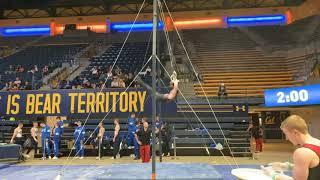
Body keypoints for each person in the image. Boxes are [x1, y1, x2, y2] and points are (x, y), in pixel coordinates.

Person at [263, 115, 320, 180]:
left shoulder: (302, 152)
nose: (287, 138)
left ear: (295, 132)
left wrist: (273, 175)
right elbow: (314, 167)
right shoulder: (317, 142)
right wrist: (287, 166)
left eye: (286, 134)